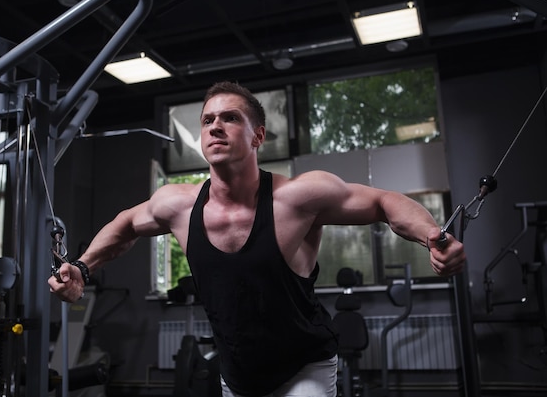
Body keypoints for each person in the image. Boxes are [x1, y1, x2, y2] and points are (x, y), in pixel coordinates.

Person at [49, 81, 466, 397]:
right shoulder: (175, 204)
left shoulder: (298, 196)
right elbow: (124, 224)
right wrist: (83, 267)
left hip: (304, 367)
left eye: (230, 117)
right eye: (208, 120)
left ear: (258, 136)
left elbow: (385, 202)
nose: (215, 126)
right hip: (238, 374)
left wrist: (431, 236)